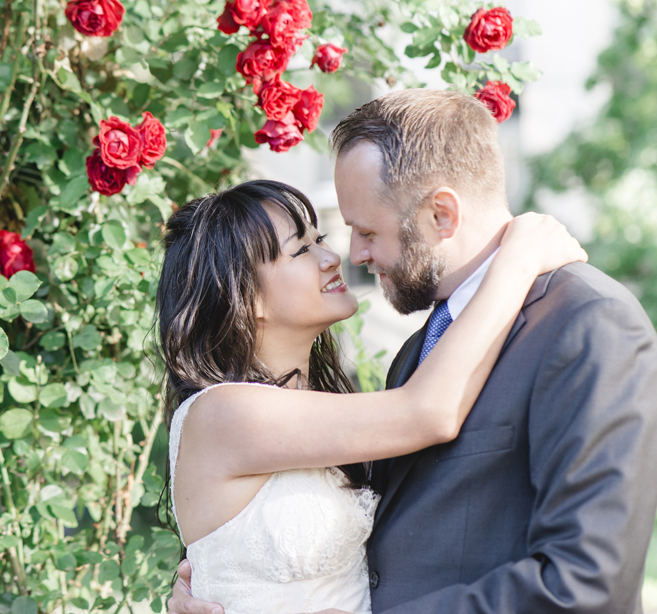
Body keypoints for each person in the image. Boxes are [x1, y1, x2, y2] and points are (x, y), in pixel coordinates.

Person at [167, 89, 657, 614]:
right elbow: (425, 416)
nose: (346, 255)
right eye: (306, 247)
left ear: (442, 215)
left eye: (362, 231)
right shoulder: (417, 356)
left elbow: (587, 583)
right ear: (243, 294)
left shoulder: (587, 320)